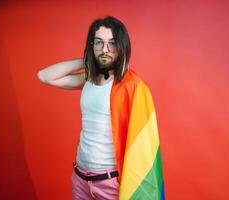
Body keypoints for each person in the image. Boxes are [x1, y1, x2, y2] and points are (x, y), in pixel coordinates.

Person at [37, 16, 165, 200]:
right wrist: (87, 60)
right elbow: (44, 76)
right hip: (81, 178)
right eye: (99, 43)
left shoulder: (131, 86)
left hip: (110, 183)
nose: (105, 49)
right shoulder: (88, 78)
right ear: (92, 45)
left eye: (112, 44)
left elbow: (144, 143)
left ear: (122, 47)